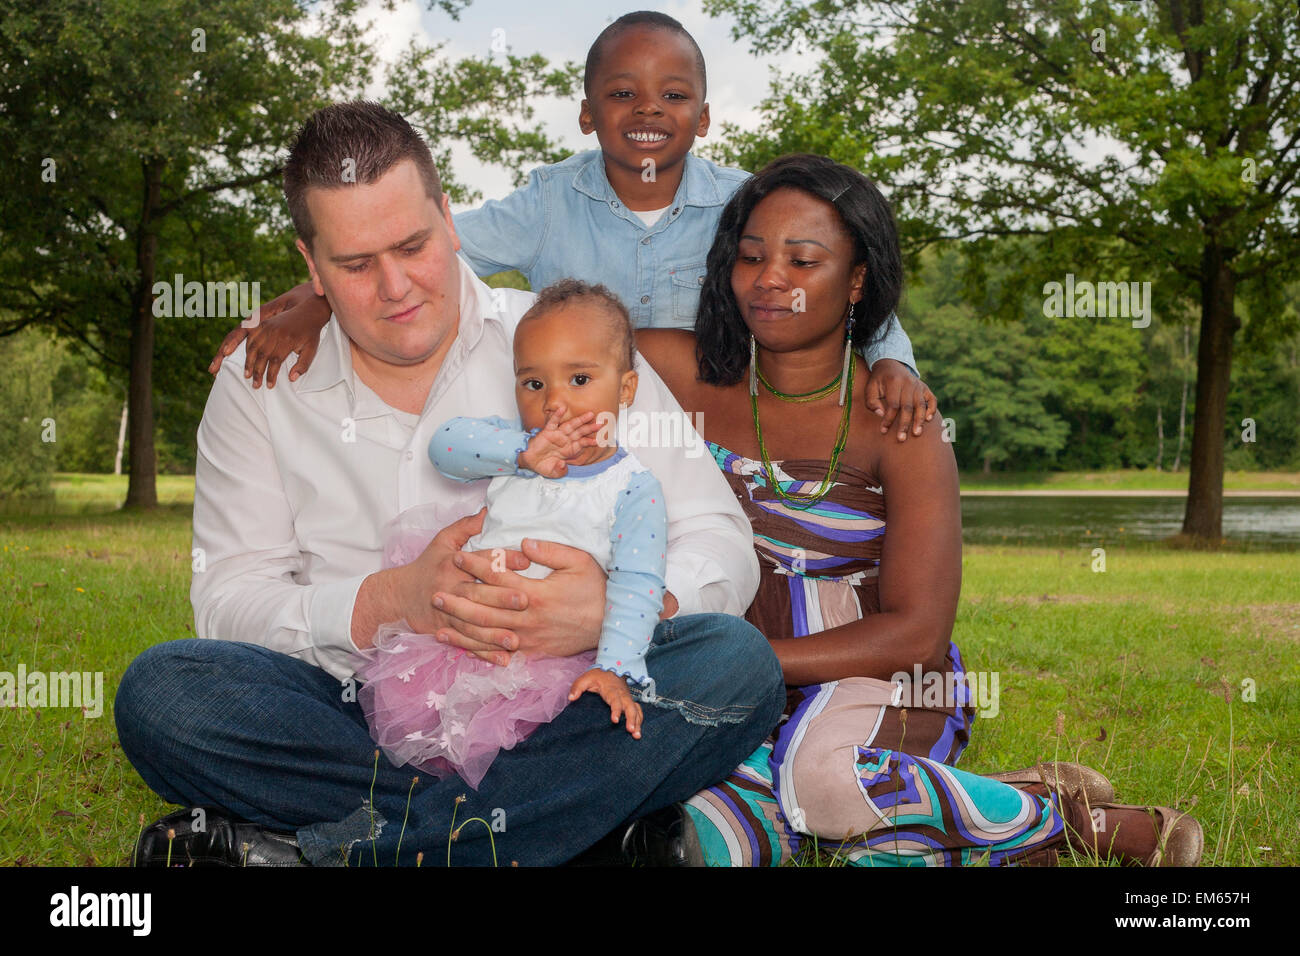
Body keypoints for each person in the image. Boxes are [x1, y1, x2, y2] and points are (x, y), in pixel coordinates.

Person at [115, 101, 785, 867]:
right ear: (311, 265)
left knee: (734, 666)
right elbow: (229, 599)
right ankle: (559, 833)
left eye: (412, 245)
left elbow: (719, 541)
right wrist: (390, 601)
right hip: (353, 714)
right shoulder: (257, 385)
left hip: (562, 704)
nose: (396, 287)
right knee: (164, 694)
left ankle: (335, 854)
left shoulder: (565, 343)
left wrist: (609, 611)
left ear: (449, 217)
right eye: (356, 265)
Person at [634, 153, 1204, 867]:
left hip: (869, 672)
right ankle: (976, 803)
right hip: (724, 663)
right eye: (751, 257)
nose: (770, 278)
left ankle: (1070, 822)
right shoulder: (672, 370)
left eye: (803, 260)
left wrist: (747, 663)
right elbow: (544, 344)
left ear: (858, 280)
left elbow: (918, 634)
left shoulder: (901, 423)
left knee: (821, 783)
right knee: (699, 840)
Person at [208, 11, 939, 443]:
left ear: (705, 117)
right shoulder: (546, 202)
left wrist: (894, 360)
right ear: (588, 114)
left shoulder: (747, 206)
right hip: (581, 435)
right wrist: (314, 299)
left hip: (716, 431)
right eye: (622, 94)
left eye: (673, 95)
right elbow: (413, 243)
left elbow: (842, 282)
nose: (648, 110)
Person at [358, 280, 666, 790]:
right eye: (534, 384)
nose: (555, 403)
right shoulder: (515, 452)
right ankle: (423, 805)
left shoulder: (633, 488)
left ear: (626, 389)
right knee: (425, 748)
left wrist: (616, 668)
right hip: (463, 644)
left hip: (551, 663)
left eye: (581, 378)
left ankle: (495, 812)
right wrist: (522, 456)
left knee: (541, 757)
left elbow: (639, 586)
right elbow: (446, 446)